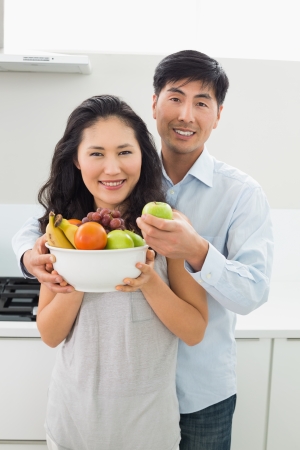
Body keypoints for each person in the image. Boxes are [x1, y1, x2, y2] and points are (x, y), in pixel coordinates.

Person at [12, 50, 274, 450]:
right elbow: (40, 249)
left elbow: (230, 305)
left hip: (182, 403)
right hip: (77, 422)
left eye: (201, 102)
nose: (112, 168)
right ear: (155, 103)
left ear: (218, 114)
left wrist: (188, 254)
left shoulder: (195, 212)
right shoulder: (73, 226)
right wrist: (52, 261)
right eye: (175, 97)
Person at [28, 94, 208, 450]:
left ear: (143, 156)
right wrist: (83, 267)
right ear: (76, 161)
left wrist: (150, 281)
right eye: (96, 153)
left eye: (125, 152)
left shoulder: (169, 227)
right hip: (72, 426)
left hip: (148, 430)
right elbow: (49, 334)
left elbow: (195, 330)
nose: (112, 168)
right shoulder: (61, 232)